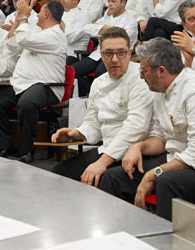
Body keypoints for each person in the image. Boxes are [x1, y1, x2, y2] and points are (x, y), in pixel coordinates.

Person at [98, 38, 195, 220]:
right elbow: (161, 138)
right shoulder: (160, 90)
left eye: (143, 71)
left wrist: (153, 173)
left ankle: (165, 245)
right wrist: (137, 147)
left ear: (161, 71)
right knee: (115, 177)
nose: (140, 76)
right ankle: (119, 234)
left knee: (166, 182)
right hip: (181, 160)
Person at [51, 27, 154, 184]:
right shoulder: (98, 83)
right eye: (108, 53)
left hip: (134, 151)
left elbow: (136, 127)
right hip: (107, 148)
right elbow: (94, 123)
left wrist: (102, 162)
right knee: (57, 175)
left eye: (120, 52)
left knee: (102, 181)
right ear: (101, 55)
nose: (114, 59)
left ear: (129, 53)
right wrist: (77, 133)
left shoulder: (140, 78)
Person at [0, 0, 68, 163]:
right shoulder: (36, 32)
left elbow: (24, 40)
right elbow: (12, 46)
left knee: (27, 103)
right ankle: (6, 147)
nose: (37, 15)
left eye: (40, 13)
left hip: (47, 86)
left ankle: (27, 151)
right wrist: (16, 24)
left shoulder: (55, 35)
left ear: (46, 14)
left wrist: (25, 17)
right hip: (22, 84)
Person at [73, 0, 140, 96]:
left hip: (116, 56)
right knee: (72, 71)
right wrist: (106, 29)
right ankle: (89, 93)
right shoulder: (106, 18)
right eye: (108, 1)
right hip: (97, 55)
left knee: (100, 73)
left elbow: (122, 36)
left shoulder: (131, 20)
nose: (109, 4)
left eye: (113, 1)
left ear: (123, 3)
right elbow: (87, 28)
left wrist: (101, 31)